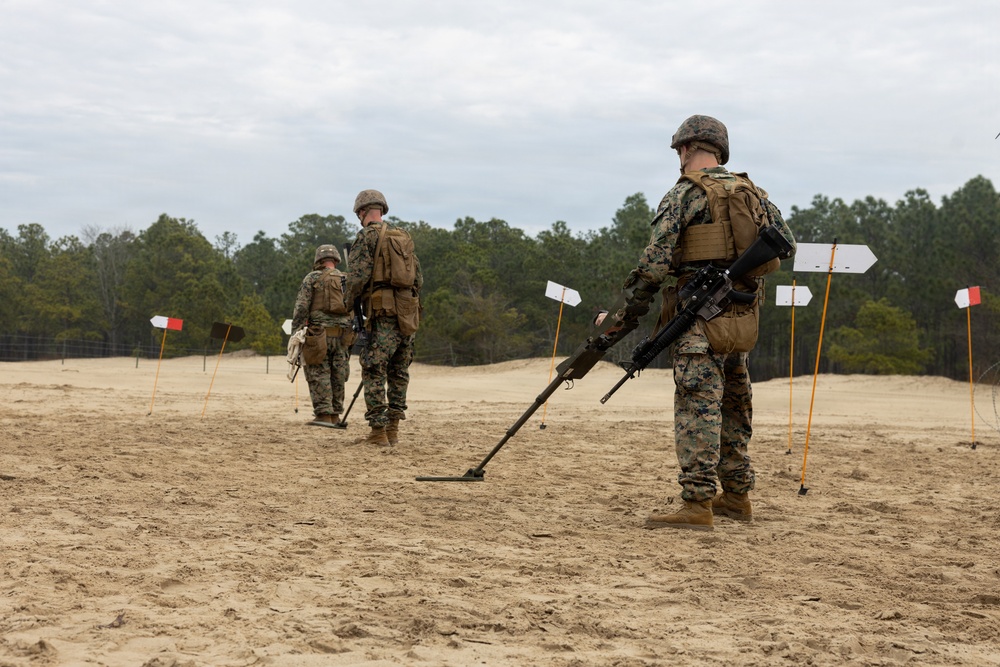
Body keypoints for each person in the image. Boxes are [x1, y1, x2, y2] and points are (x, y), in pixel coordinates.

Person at [607, 115, 796, 530]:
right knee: (734, 402)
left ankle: (697, 504)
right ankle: (738, 496)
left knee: (697, 407)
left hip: (697, 322)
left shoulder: (683, 195)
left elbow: (654, 264)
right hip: (741, 317)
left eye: (679, 149)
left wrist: (630, 312)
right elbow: (787, 241)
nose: (678, 156)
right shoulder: (754, 192)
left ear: (688, 148)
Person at [344, 189, 423, 446]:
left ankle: (378, 433)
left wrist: (347, 304)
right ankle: (393, 431)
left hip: (383, 313)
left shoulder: (366, 237)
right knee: (399, 371)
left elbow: (356, 279)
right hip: (408, 312)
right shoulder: (403, 236)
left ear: (362, 212)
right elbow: (418, 278)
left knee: (374, 368)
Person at [292, 244, 354, 428]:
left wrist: (296, 332)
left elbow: (302, 307)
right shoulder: (347, 279)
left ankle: (324, 414)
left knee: (318, 372)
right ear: (336, 260)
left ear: (318, 260)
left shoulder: (313, 278)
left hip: (318, 335)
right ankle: (335, 414)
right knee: (338, 374)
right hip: (343, 336)